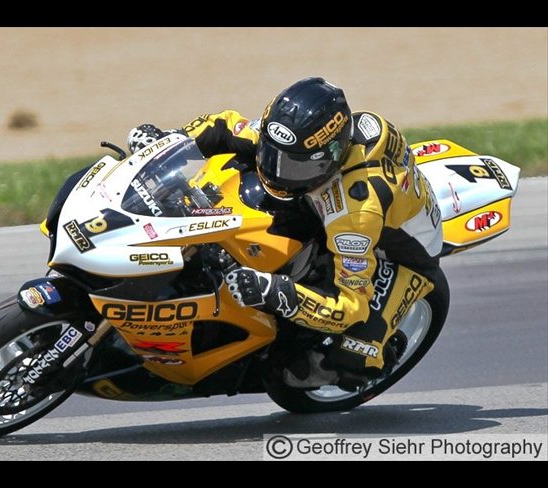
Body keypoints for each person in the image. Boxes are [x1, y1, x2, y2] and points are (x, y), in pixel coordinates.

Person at [127, 77, 448, 391]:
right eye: (271, 153)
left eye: (293, 165)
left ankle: (374, 356)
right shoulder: (299, 139)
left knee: (351, 356)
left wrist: (275, 291)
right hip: (344, 204)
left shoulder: (355, 215)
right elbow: (224, 127)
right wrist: (167, 141)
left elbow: (350, 306)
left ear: (330, 156)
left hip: (397, 256)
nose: (274, 171)